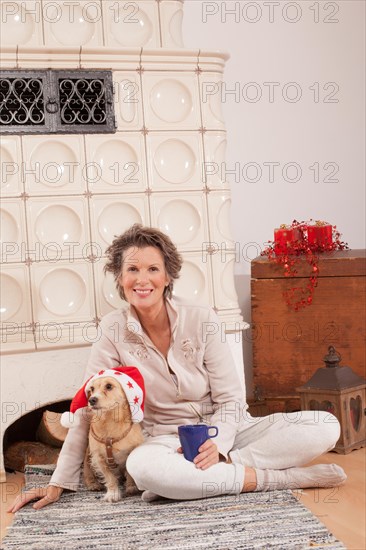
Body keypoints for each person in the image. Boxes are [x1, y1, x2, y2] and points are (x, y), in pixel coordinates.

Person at [8, 224, 346, 512]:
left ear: (168, 275)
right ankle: (281, 479)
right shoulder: (112, 330)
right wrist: (58, 484)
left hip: (225, 429)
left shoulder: (202, 318)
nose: (143, 280)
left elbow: (230, 399)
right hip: (163, 440)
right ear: (120, 277)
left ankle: (202, 476)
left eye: (153, 269)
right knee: (142, 467)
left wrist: (222, 447)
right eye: (132, 270)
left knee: (325, 425)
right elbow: (86, 409)